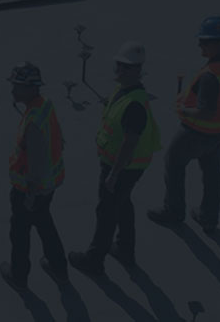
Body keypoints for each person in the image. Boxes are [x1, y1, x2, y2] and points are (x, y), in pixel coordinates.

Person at [148, 16, 220, 234]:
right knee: (212, 173)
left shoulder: (210, 76)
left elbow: (206, 111)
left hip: (196, 133)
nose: (199, 45)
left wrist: (183, 110)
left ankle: (174, 211)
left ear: (218, 43)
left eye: (204, 42)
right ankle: (208, 217)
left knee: (173, 164)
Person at [67, 42, 162, 277]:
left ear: (136, 70)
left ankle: (94, 260)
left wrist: (114, 174)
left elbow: (129, 143)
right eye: (118, 65)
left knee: (106, 211)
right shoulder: (124, 92)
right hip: (122, 165)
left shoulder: (134, 105)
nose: (118, 70)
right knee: (122, 203)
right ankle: (125, 249)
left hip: (123, 166)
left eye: (125, 67)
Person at [0, 62, 70, 291]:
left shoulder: (33, 122)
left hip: (30, 190)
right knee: (45, 224)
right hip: (49, 185)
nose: (12, 90)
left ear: (31, 88)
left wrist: (29, 196)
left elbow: (36, 165)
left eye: (17, 86)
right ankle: (59, 268)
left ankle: (18, 275)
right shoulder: (45, 106)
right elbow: (59, 137)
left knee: (19, 233)